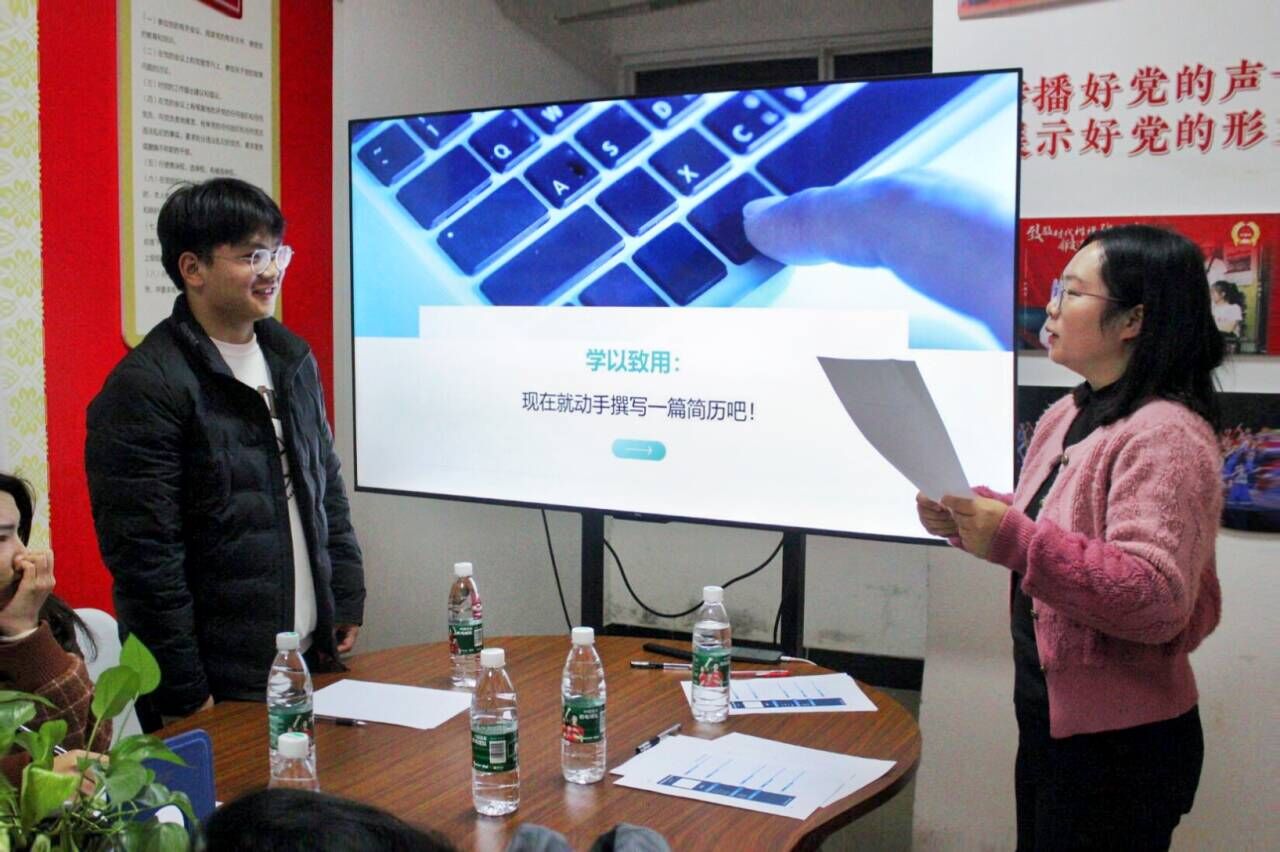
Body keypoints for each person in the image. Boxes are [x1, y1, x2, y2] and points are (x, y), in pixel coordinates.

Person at [917, 225, 1223, 849]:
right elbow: (1052, 521)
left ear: (1134, 319)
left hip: (1121, 751)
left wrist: (1011, 538)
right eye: (1056, 288)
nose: (1050, 306)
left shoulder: (1165, 434)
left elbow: (1154, 597)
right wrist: (971, 513)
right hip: (1048, 723)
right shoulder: (1068, 411)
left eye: (1073, 293)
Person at [85, 178, 365, 725]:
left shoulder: (291, 357)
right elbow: (146, 563)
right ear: (193, 269)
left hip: (306, 656)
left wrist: (345, 595)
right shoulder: (146, 387)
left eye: (277, 252)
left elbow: (324, 484)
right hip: (219, 681)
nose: (272, 270)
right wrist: (185, 693)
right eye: (251, 256)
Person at [0, 472, 111, 784]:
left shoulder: (37, 613)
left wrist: (25, 634)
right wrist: (27, 777)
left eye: (19, 533)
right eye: (1, 538)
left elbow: (90, 746)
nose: (22, 555)